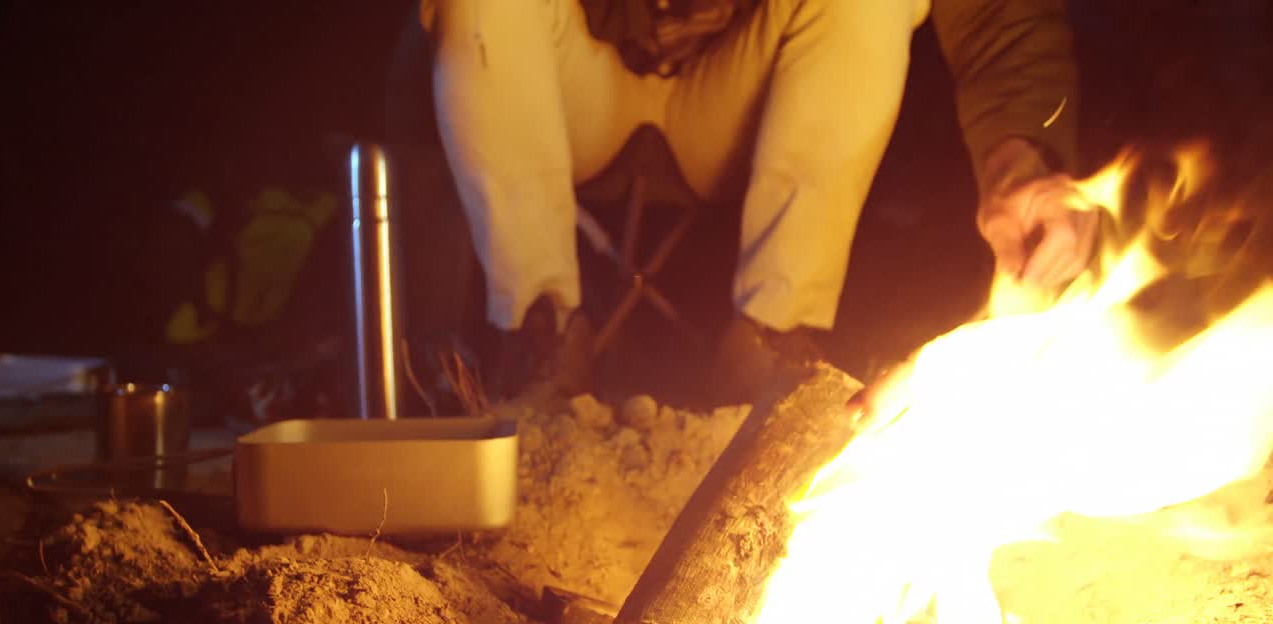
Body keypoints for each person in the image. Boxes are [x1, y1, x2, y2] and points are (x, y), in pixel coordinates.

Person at [416, 0, 1097, 402]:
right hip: (567, 76)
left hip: (739, 100)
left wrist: (1019, 161)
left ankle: (774, 339)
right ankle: (540, 330)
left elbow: (1000, 18)